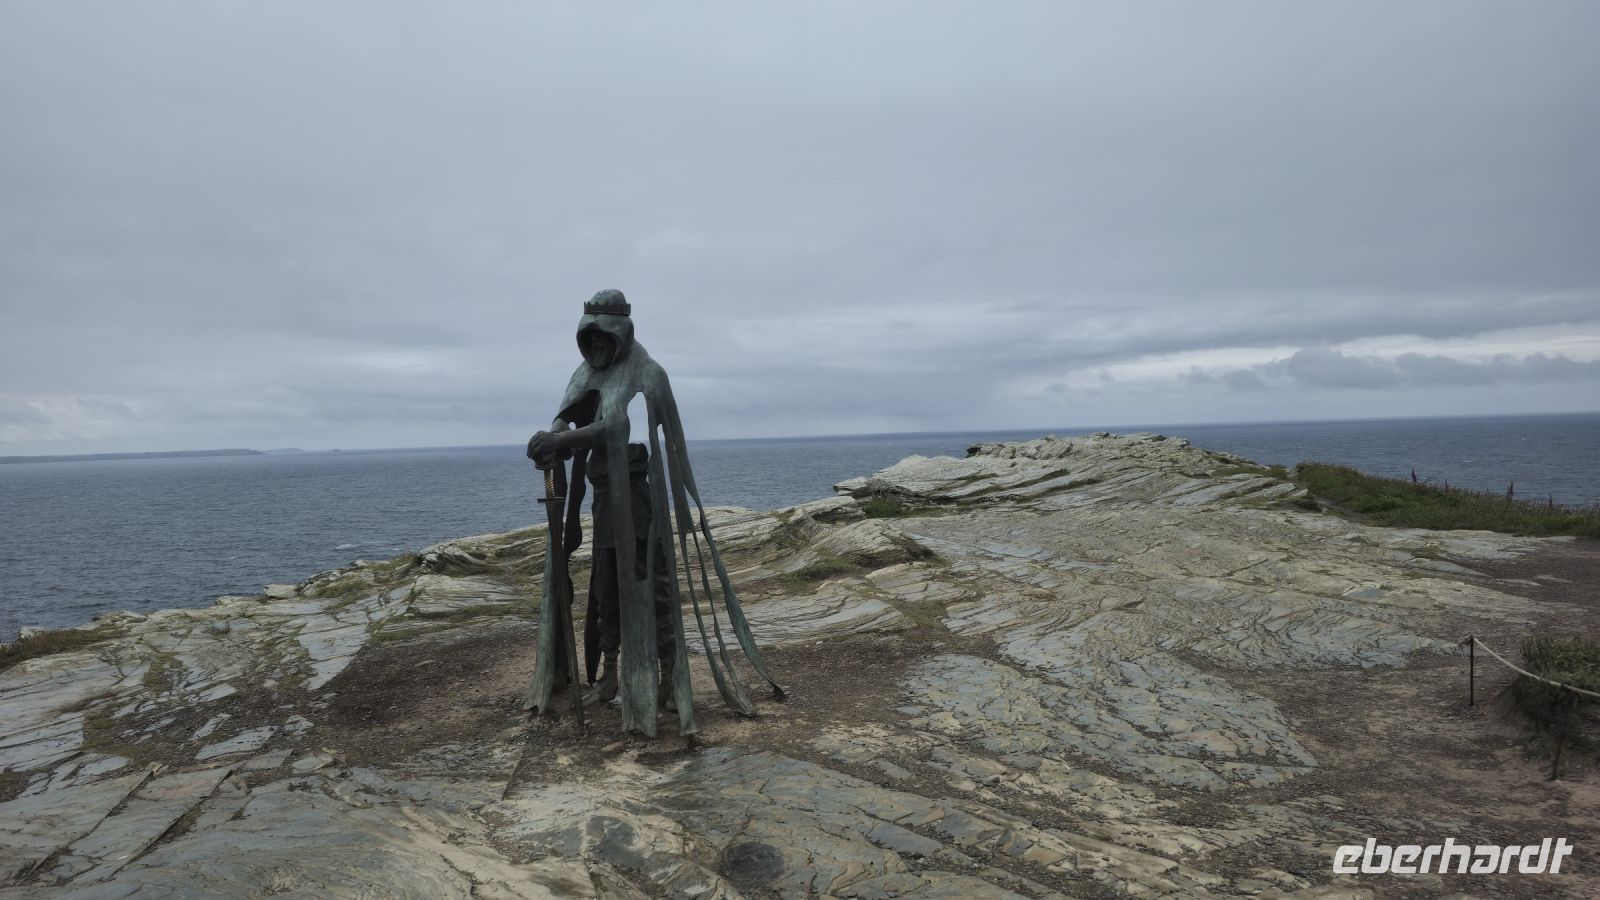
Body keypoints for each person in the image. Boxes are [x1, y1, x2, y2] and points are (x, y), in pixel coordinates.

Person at [522, 290, 782, 737]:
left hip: (640, 507)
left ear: (621, 334)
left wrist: (563, 441)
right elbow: (569, 415)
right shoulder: (584, 373)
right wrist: (550, 437)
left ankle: (665, 681)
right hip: (604, 505)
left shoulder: (647, 373)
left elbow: (616, 426)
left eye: (605, 338)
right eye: (590, 339)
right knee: (604, 591)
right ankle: (608, 678)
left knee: (654, 592)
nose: (597, 347)